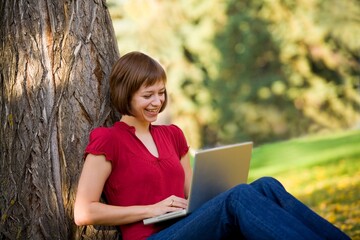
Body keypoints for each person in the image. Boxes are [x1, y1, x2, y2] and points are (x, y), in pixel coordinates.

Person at [74, 51, 350, 240]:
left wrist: (213, 191)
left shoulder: (172, 135)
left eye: (161, 93)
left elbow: (194, 196)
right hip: (153, 236)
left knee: (266, 185)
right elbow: (84, 212)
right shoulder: (109, 139)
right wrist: (152, 209)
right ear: (126, 94)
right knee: (238, 196)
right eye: (147, 95)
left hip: (189, 227)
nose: (157, 102)